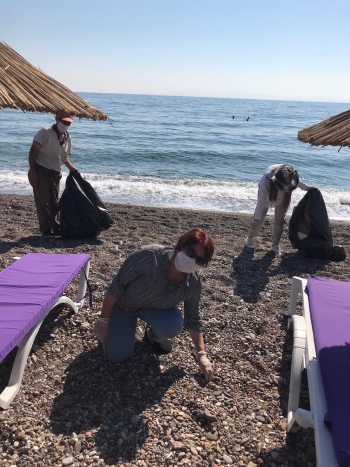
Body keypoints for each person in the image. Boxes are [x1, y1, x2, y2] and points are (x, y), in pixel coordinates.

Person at [93, 228, 215, 381]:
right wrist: (104, 320)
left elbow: (193, 319)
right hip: (123, 306)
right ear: (180, 246)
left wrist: (201, 354)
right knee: (116, 356)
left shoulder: (193, 284)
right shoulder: (149, 256)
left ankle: (151, 335)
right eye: (190, 252)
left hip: (154, 308)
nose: (192, 259)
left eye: (199, 260)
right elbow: (116, 286)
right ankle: (118, 329)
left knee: (174, 326)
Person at [245, 164, 314, 255]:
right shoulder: (265, 183)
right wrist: (256, 218)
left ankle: (275, 244)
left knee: (280, 220)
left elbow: (296, 181)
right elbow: (260, 203)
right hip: (267, 197)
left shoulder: (289, 174)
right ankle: (250, 238)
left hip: (283, 198)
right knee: (259, 217)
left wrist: (306, 188)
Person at [28, 114, 78, 237]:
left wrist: (71, 168)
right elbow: (33, 150)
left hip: (56, 173)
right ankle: (46, 230)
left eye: (69, 123)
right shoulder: (45, 132)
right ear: (57, 119)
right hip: (41, 170)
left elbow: (64, 156)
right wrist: (32, 171)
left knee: (54, 202)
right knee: (43, 201)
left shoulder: (67, 137)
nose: (66, 125)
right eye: (64, 122)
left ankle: (56, 229)